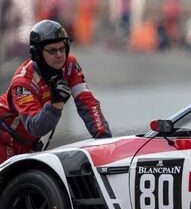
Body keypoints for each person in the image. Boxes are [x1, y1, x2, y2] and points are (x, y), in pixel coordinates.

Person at [0, 20, 112, 161]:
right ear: (37, 54)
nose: (59, 55)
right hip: (4, 139)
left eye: (62, 48)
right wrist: (55, 105)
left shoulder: (70, 66)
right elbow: (35, 127)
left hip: (27, 143)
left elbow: (88, 103)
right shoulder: (23, 81)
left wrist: (104, 139)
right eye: (52, 51)